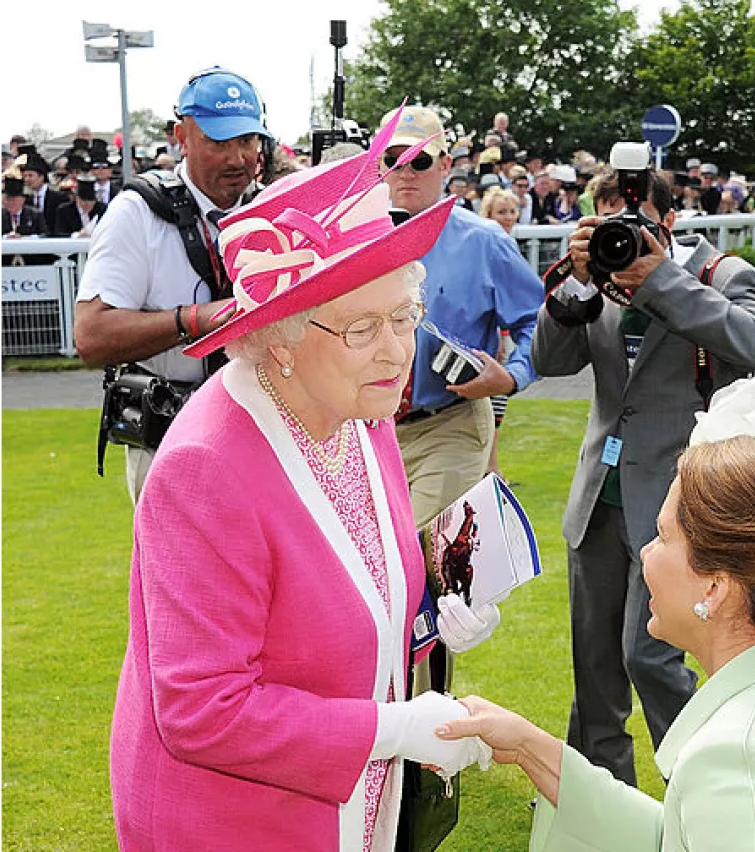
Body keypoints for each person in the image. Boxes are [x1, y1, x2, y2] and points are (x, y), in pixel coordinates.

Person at [109, 120, 499, 852]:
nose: (395, 349)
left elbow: (349, 586)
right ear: (278, 339)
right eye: (362, 328)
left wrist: (429, 617)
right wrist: (393, 728)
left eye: (404, 316)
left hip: (347, 811)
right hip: (237, 824)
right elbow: (203, 710)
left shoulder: (361, 410)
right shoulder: (206, 469)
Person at [440, 350, 755, 850]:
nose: (643, 553)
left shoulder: (744, 758)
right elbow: (677, 836)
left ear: (716, 587)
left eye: (663, 537)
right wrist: (533, 749)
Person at [534, 162, 755, 786]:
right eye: (605, 224)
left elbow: (749, 344)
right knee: (595, 666)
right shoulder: (598, 280)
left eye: (632, 224)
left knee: (653, 657)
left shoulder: (722, 274)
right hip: (600, 498)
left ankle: (699, 784)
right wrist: (576, 283)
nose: (621, 238)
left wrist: (658, 278)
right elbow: (549, 361)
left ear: (667, 219)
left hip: (680, 503)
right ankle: (604, 802)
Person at [75, 67, 272, 502]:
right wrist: (196, 320)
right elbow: (91, 336)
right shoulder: (136, 213)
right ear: (181, 137)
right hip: (170, 437)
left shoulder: (273, 207)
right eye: (219, 142)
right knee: (180, 570)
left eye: (247, 140)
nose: (238, 159)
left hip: (265, 435)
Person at [377, 104, 543, 530]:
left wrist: (511, 377)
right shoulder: (351, 243)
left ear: (446, 165)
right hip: (369, 429)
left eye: (419, 160)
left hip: (448, 422)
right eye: (392, 160)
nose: (405, 172)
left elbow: (535, 322)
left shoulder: (485, 242)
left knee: (413, 560)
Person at [478, 186, 523, 477]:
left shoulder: (510, 244)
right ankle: (489, 467)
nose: (507, 217)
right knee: (488, 404)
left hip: (505, 337)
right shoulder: (488, 245)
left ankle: (491, 466)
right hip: (493, 337)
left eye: (511, 211)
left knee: (497, 405)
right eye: (501, 212)